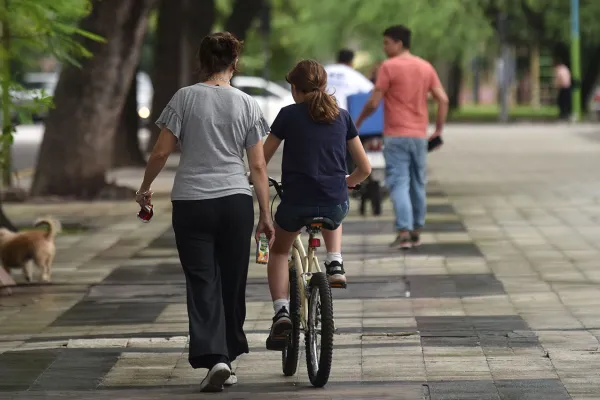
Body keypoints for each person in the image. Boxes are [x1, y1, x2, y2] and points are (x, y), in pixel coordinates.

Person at [135, 32, 274, 392]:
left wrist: (145, 189)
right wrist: (265, 214)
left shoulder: (184, 98)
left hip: (192, 203)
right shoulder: (246, 104)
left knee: (202, 282)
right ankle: (226, 355)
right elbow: (257, 167)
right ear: (234, 62)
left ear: (202, 61)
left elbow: (160, 154)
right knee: (232, 280)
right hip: (235, 201)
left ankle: (217, 358)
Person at [261, 59, 371, 347]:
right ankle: (334, 261)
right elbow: (365, 168)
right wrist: (346, 182)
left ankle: (282, 311)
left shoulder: (287, 115)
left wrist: (254, 177)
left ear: (295, 89)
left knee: (278, 251)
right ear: (323, 86)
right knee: (335, 204)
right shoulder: (343, 116)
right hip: (334, 202)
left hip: (296, 203)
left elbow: (261, 158)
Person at [355, 25, 449, 249]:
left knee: (398, 182)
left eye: (387, 42)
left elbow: (373, 102)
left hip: (396, 136)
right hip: (419, 136)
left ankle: (404, 232)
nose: (384, 47)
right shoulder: (425, 67)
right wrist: (437, 130)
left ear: (398, 43)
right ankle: (416, 230)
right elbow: (443, 100)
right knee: (417, 183)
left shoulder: (389, 67)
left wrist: (357, 123)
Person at [553, 56, 572, 120]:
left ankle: (563, 115)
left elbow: (560, 79)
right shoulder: (565, 68)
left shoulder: (559, 69)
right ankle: (566, 114)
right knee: (566, 102)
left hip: (563, 87)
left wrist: (556, 85)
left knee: (561, 102)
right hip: (568, 87)